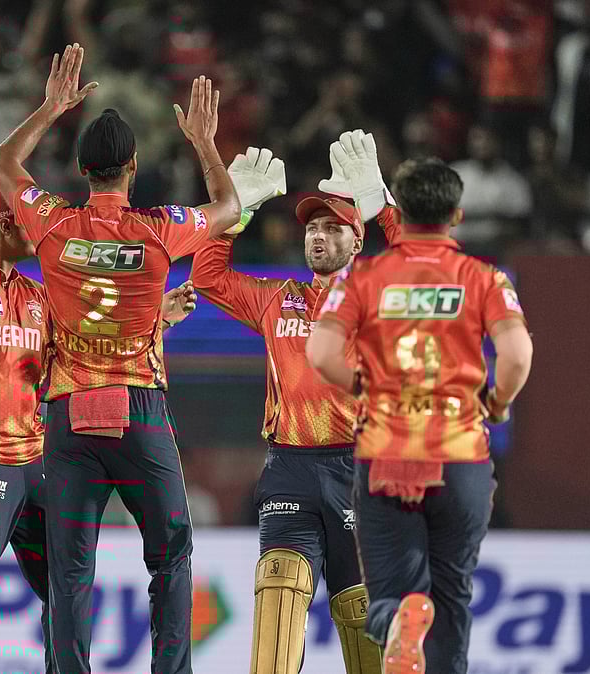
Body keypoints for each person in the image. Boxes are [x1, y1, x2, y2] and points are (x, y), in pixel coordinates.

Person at [0, 44, 240, 673]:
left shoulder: (52, 224)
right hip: (141, 416)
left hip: (69, 419)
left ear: (81, 168)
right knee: (171, 552)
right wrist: (206, 144)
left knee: (70, 569)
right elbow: (229, 209)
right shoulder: (159, 229)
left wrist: (50, 107)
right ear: (132, 166)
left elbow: (2, 162)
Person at [0, 183, 198, 674]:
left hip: (36, 459)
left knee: (62, 585)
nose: (39, 234)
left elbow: (84, 343)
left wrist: (157, 319)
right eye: (26, 223)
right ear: (2, 226)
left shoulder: (38, 295)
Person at [306, 158, 533, 674]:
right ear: (457, 215)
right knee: (452, 594)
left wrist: (364, 387)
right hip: (460, 457)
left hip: (387, 453)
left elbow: (321, 353)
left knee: (389, 592)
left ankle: (401, 615)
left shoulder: (365, 277)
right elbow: (517, 356)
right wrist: (496, 403)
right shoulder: (484, 278)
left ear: (399, 212)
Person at [190, 135, 399, 674]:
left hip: (359, 470)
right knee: (278, 595)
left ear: (357, 241)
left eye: (332, 228)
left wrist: (384, 206)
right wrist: (233, 215)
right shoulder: (276, 297)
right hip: (288, 469)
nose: (318, 236)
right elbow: (206, 279)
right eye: (312, 227)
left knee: (363, 619)